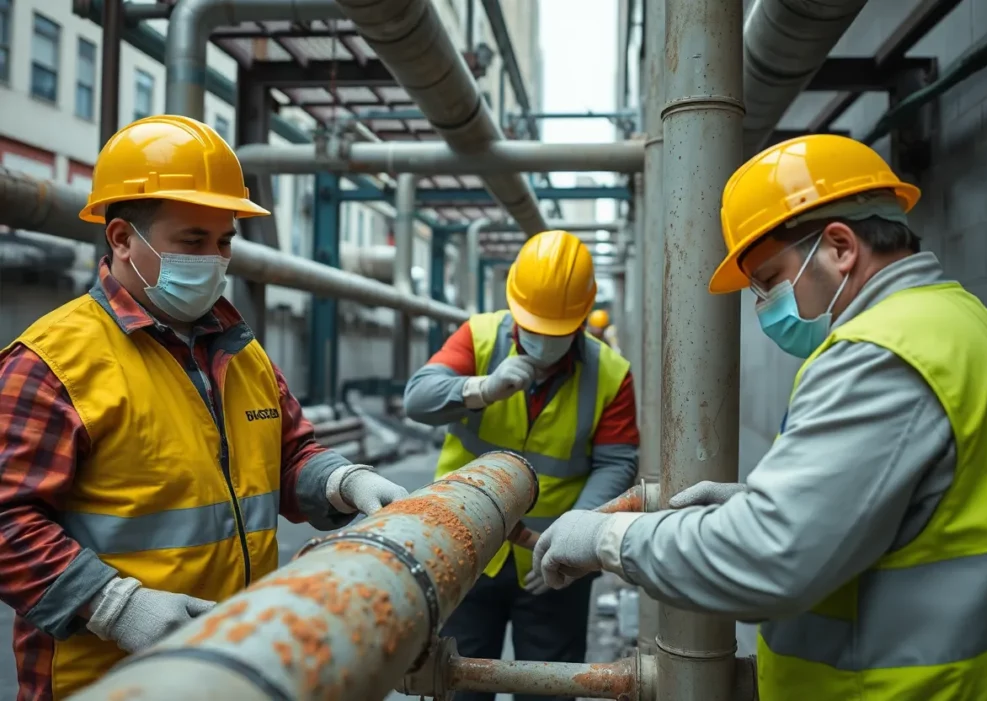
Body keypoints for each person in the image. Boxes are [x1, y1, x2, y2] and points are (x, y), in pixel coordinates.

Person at [531, 134, 987, 699]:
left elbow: (769, 560)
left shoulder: (880, 354)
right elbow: (938, 516)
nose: (765, 306)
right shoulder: (984, 333)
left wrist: (608, 537)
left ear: (840, 246)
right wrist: (758, 503)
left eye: (769, 280)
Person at [0, 115, 409, 700]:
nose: (214, 260)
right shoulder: (52, 363)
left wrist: (344, 481)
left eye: (224, 242)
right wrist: (115, 605)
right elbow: (6, 521)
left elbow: (290, 454)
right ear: (121, 239)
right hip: (106, 680)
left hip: (236, 663)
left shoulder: (240, 351)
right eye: (193, 241)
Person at [403, 230, 639, 701]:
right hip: (465, 546)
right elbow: (418, 399)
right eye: (536, 326)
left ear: (579, 321)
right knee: (458, 682)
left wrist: (577, 533)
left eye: (557, 331)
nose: (544, 340)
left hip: (553, 564)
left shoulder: (611, 373)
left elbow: (617, 463)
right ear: (516, 308)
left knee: (548, 687)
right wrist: (479, 389)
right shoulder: (481, 336)